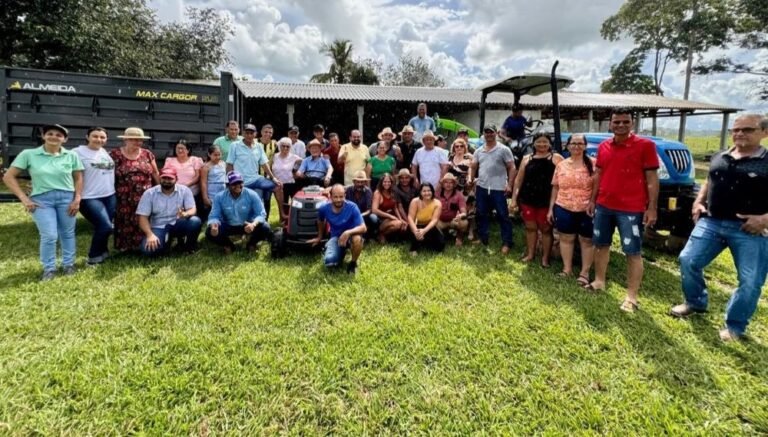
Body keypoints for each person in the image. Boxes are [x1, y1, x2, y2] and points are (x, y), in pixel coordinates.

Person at [670, 114, 768, 341]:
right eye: (736, 129)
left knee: (750, 280)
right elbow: (709, 180)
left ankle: (735, 326)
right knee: (688, 260)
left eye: (747, 129)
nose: (740, 133)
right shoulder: (720, 155)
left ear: (764, 132)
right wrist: (698, 202)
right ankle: (695, 302)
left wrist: (764, 219)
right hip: (711, 222)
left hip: (749, 229)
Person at [586, 108, 659, 313]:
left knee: (632, 252)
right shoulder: (604, 147)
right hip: (604, 205)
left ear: (632, 123)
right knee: (600, 245)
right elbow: (598, 175)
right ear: (610, 124)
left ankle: (631, 296)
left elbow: (652, 179)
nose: (620, 125)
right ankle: (599, 281)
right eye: (616, 122)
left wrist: (651, 208)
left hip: (631, 209)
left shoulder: (645, 146)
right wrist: (593, 200)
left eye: (625, 122)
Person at [4, 124, 84, 280]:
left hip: (66, 198)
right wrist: (24, 198)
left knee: (67, 233)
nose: (54, 137)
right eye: (50, 133)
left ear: (65, 139)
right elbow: (8, 177)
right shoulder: (29, 154)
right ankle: (49, 269)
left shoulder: (71, 155)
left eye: (59, 135)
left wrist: (77, 198)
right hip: (41, 200)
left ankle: (68, 265)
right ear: (43, 136)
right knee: (49, 235)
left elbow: (78, 178)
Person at [548, 134, 595, 285]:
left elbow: (598, 187)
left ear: (585, 146)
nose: (576, 146)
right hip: (563, 207)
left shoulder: (594, 164)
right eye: (573, 143)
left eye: (580, 143)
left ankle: (584, 273)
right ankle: (567, 269)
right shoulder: (561, 165)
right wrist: (551, 208)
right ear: (567, 146)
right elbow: (556, 187)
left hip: (587, 209)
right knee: (566, 238)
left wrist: (593, 202)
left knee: (586, 240)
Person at [511, 132, 563, 267]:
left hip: (546, 201)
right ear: (533, 143)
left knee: (546, 229)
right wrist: (514, 199)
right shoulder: (526, 159)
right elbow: (518, 180)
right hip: (527, 199)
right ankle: (530, 254)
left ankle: (545, 258)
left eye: (545, 142)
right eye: (539, 142)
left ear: (550, 144)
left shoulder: (556, 158)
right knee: (530, 227)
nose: (542, 144)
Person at [468, 124, 515, 254]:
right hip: (482, 187)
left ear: (496, 133)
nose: (489, 134)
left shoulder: (504, 149)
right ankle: (483, 238)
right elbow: (473, 166)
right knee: (481, 214)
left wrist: (510, 185)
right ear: (483, 134)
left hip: (499, 188)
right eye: (486, 132)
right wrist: (471, 179)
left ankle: (507, 242)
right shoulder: (479, 151)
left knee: (503, 215)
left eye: (491, 132)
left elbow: (512, 167)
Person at [111, 127, 160, 252]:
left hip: (145, 195)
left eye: (140, 140)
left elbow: (155, 173)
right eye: (134, 139)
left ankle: (142, 245)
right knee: (124, 219)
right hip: (124, 196)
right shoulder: (115, 154)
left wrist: (160, 189)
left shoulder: (147, 154)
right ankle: (125, 247)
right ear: (125, 140)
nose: (138, 142)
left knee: (144, 217)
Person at [73, 127, 115, 266]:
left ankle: (104, 252)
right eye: (95, 136)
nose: (99, 139)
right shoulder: (77, 152)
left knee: (103, 226)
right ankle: (93, 258)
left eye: (102, 137)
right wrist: (76, 196)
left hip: (109, 195)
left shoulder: (104, 152)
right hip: (89, 197)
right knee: (105, 226)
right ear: (87, 137)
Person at [136, 168, 201, 256]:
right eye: (164, 178)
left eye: (170, 178)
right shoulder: (149, 193)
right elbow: (142, 218)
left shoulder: (185, 190)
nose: (166, 181)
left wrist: (186, 214)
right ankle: (166, 242)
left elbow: (192, 209)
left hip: (177, 222)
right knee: (148, 251)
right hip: (158, 226)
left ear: (176, 179)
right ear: (159, 178)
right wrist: (150, 235)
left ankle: (189, 247)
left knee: (195, 221)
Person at [206, 171, 273, 254]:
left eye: (240, 182)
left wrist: (253, 224)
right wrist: (214, 225)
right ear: (228, 185)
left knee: (265, 227)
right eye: (234, 184)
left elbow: (261, 214)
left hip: (248, 225)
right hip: (228, 225)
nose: (238, 185)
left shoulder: (252, 194)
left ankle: (252, 243)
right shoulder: (219, 197)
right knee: (209, 232)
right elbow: (214, 216)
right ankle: (228, 245)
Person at [307, 184, 367, 274]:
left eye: (341, 196)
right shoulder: (324, 208)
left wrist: (347, 232)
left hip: (351, 237)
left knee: (357, 239)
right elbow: (320, 220)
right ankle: (337, 251)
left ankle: (353, 263)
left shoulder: (352, 207)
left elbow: (363, 227)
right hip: (336, 237)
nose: (338, 200)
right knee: (330, 262)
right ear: (330, 196)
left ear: (345, 196)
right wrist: (319, 237)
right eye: (335, 197)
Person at [226, 123, 281, 219]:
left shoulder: (258, 146)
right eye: (247, 133)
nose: (249, 135)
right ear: (243, 133)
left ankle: (277, 215)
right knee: (246, 204)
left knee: (278, 186)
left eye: (251, 133)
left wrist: (273, 178)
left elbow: (264, 164)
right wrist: (230, 181)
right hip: (241, 181)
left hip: (256, 180)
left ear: (255, 134)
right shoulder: (235, 146)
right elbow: (229, 164)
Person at [163, 139, 203, 208]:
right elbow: (165, 175)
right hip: (173, 193)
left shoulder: (195, 160)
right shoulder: (169, 160)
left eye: (182, 148)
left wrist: (186, 185)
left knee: (191, 212)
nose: (180, 150)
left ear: (188, 150)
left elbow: (198, 176)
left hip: (191, 193)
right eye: (178, 148)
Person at [407, 182, 445, 255]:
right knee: (417, 235)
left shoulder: (437, 203)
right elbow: (410, 218)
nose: (427, 193)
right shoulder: (415, 201)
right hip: (416, 225)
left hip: (429, 226)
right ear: (420, 192)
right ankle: (413, 249)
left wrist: (424, 231)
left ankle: (424, 242)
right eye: (424, 191)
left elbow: (434, 220)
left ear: (432, 191)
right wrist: (415, 231)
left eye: (429, 190)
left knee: (441, 243)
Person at [271, 137, 303, 222]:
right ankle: (283, 221)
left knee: (296, 204)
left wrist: (297, 173)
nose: (285, 148)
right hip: (278, 184)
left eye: (288, 146)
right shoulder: (274, 156)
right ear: (280, 146)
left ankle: (296, 220)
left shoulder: (294, 157)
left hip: (291, 183)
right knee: (281, 204)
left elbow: (305, 162)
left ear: (290, 147)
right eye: (283, 146)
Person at [372, 173, 407, 243]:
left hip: (391, 218)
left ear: (391, 183)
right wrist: (390, 216)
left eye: (389, 182)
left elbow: (395, 207)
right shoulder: (377, 193)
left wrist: (400, 219)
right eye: (385, 182)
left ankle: (383, 234)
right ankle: (379, 233)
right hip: (381, 219)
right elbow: (374, 210)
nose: (387, 184)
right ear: (381, 183)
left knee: (401, 224)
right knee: (398, 224)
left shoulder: (392, 192)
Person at [436, 173, 469, 246]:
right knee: (431, 223)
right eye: (446, 182)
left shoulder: (459, 194)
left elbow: (464, 211)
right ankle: (442, 236)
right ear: (443, 184)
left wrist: (461, 215)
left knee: (464, 222)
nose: (448, 184)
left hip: (453, 221)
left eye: (451, 182)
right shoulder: (437, 194)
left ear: (454, 184)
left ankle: (459, 238)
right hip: (440, 221)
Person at [345, 171, 378, 238]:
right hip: (351, 215)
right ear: (354, 182)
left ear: (365, 182)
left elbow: (369, 210)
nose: (360, 184)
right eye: (358, 182)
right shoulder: (348, 190)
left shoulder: (368, 191)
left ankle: (370, 235)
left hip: (364, 215)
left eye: (362, 182)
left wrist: (359, 215)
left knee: (374, 218)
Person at [199, 144, 227, 221]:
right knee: (213, 211)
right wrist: (205, 197)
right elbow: (203, 183)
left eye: (219, 155)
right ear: (209, 154)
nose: (217, 157)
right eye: (215, 155)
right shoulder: (206, 167)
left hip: (222, 191)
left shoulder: (223, 164)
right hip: (212, 192)